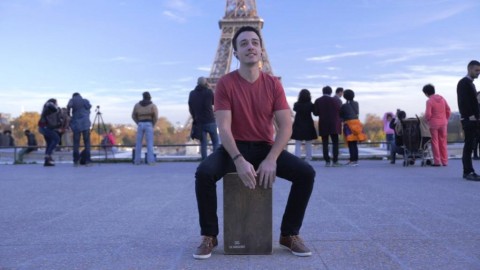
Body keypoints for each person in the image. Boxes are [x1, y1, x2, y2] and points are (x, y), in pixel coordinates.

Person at [193, 26, 315, 259]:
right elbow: (224, 128)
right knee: (204, 173)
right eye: (244, 43)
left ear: (261, 50)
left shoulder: (273, 84)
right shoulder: (225, 84)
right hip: (233, 148)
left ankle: (289, 234)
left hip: (264, 148)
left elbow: (285, 126)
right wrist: (238, 159)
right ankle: (209, 235)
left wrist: (272, 159)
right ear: (236, 53)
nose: (250, 46)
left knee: (306, 173)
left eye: (254, 42)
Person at [456, 60, 480, 181]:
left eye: (479, 71)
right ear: (469, 69)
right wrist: (470, 115)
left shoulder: (470, 83)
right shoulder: (464, 83)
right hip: (469, 119)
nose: (478, 73)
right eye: (476, 70)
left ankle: (469, 171)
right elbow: (463, 101)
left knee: (470, 145)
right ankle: (468, 171)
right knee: (469, 145)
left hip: (473, 119)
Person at [188, 77, 220, 160]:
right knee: (215, 142)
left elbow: (190, 107)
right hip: (210, 120)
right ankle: (215, 159)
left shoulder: (192, 93)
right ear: (206, 83)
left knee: (203, 144)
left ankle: (204, 161)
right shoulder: (209, 92)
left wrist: (194, 117)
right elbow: (215, 102)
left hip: (199, 122)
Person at [423, 84, 451, 166]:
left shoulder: (429, 101)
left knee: (435, 142)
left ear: (426, 93)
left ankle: (437, 161)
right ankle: (445, 161)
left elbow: (428, 114)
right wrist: (446, 119)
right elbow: (448, 109)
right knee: (443, 142)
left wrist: (426, 120)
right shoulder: (442, 99)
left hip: (433, 124)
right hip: (443, 123)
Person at [313, 86, 341, 167]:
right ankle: (335, 161)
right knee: (335, 143)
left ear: (323, 92)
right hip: (334, 124)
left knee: (325, 143)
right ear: (330, 92)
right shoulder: (335, 100)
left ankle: (327, 161)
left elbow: (315, 113)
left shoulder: (318, 100)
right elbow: (339, 110)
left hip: (323, 123)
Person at [339, 89, 366, 166]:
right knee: (354, 143)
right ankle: (355, 160)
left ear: (345, 97)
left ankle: (352, 160)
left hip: (349, 125)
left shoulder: (344, 106)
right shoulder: (356, 103)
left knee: (351, 143)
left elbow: (341, 115)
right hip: (357, 124)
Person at [132, 91, 158, 165]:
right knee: (149, 143)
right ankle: (150, 161)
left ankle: (137, 161)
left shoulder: (137, 105)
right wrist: (153, 123)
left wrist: (138, 122)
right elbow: (155, 116)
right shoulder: (153, 106)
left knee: (138, 143)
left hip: (140, 123)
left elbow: (133, 116)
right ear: (149, 97)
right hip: (149, 124)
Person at [291, 89, 317, 162]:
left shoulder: (296, 104)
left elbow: (295, 109)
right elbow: (314, 111)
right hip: (308, 125)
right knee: (308, 142)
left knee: (298, 143)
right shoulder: (311, 105)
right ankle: (308, 157)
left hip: (298, 124)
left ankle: (297, 157)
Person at [67, 92, 92, 166]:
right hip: (86, 124)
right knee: (87, 143)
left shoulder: (72, 100)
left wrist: (69, 114)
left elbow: (69, 106)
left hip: (76, 124)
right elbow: (89, 107)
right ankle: (88, 160)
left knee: (76, 143)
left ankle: (76, 160)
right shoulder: (85, 101)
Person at [38, 98, 62, 166]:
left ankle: (47, 161)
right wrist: (57, 107)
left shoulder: (46, 108)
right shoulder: (49, 105)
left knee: (49, 143)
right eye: (56, 103)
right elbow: (54, 109)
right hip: (45, 128)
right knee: (56, 139)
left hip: (44, 127)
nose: (57, 104)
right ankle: (48, 155)